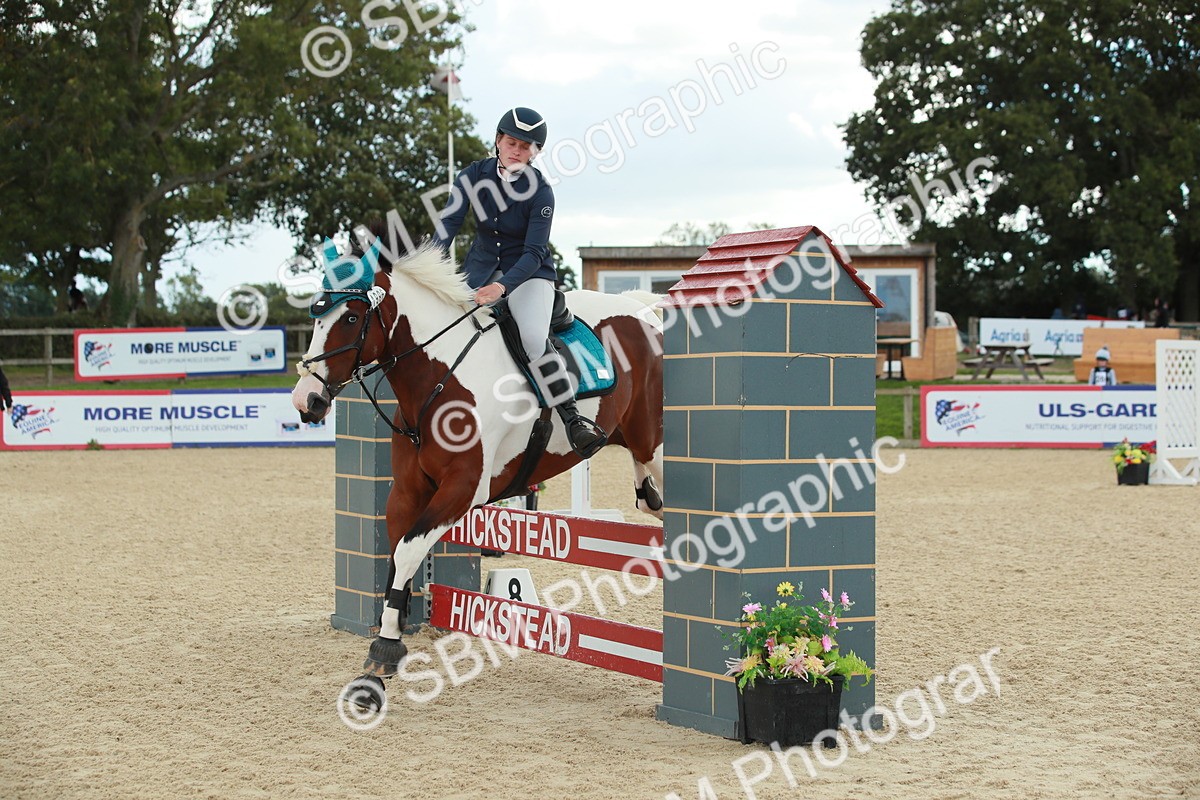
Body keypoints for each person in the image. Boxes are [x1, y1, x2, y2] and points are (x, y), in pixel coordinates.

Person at [434, 106, 607, 458]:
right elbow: (447, 227)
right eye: (511, 142)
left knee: (531, 337)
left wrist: (502, 288)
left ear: (536, 152)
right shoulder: (471, 176)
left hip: (529, 273)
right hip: (479, 269)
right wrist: (427, 269)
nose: (517, 151)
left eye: (526, 147)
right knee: (442, 325)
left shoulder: (541, 192)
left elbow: (533, 252)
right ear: (498, 140)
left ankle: (572, 418)